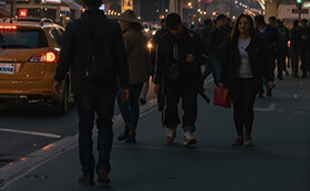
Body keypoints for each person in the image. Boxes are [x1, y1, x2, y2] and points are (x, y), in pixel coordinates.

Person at [53, 0, 129, 186]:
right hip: (106, 83)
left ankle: (87, 172)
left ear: (83, 3)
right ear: (101, 1)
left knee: (85, 127)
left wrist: (59, 78)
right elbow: (121, 57)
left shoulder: (74, 27)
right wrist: (125, 84)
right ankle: (103, 166)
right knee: (105, 125)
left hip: (83, 84)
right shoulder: (112, 27)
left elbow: (66, 56)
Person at [217, 14, 273, 146]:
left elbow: (264, 61)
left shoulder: (256, 41)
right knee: (237, 108)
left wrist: (269, 78)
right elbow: (224, 61)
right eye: (240, 23)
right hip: (235, 79)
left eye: (246, 23)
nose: (243, 26)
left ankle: (248, 133)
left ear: (250, 25)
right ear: (237, 25)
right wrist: (222, 80)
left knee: (247, 107)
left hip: (251, 79)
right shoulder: (231, 40)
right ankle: (239, 135)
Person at [151, 12, 204, 147]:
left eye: (176, 29)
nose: (174, 32)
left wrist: (195, 59)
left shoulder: (193, 37)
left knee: (190, 105)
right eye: (171, 30)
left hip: (190, 78)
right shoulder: (164, 39)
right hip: (171, 79)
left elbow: (205, 55)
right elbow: (159, 61)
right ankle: (171, 128)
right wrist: (157, 81)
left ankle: (188, 131)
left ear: (181, 24)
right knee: (170, 105)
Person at [116, 10, 152, 144]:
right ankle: (131, 130)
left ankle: (129, 126)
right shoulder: (141, 36)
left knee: (122, 100)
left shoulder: (126, 37)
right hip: (140, 74)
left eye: (122, 21)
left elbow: (121, 56)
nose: (121, 23)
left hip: (128, 75)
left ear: (126, 23)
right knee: (134, 103)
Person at [256, 16, 283, 96]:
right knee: (259, 71)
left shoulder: (272, 29)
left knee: (269, 69)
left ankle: (269, 85)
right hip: (258, 54)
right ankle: (263, 89)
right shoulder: (255, 31)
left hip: (269, 53)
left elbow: (279, 40)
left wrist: (273, 45)